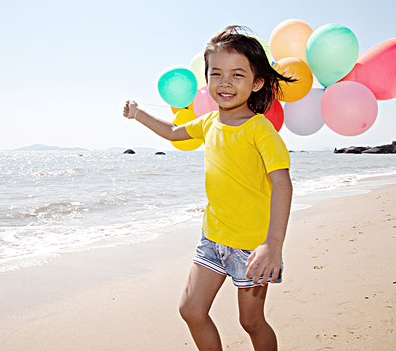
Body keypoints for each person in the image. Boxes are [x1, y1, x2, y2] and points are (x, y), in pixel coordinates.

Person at [123, 26, 294, 351]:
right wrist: (138, 114)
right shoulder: (209, 121)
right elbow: (174, 132)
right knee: (191, 310)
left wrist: (273, 245)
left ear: (257, 82)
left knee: (251, 322)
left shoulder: (261, 130)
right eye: (216, 74)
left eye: (237, 75)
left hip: (252, 247)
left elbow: (282, 185)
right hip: (213, 239)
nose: (225, 82)